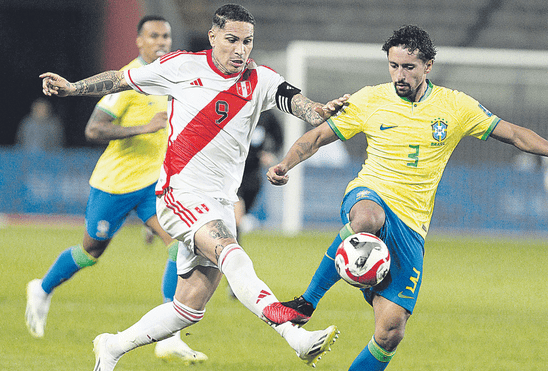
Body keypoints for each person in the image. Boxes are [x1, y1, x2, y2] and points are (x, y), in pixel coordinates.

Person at [40, 4, 350, 370]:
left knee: (187, 309)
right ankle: (295, 336)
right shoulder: (182, 66)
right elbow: (121, 79)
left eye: (247, 42)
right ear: (213, 37)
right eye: (232, 40)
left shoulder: (260, 79)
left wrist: (321, 110)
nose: (240, 50)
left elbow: (300, 105)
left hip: (219, 202)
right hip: (179, 194)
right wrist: (73, 88)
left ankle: (111, 346)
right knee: (232, 254)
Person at [264, 25, 548, 371]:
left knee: (390, 333)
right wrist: (285, 164)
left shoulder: (455, 106)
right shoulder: (369, 99)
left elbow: (516, 134)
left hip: (411, 224)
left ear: (428, 66)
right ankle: (306, 304)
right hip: (370, 193)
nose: (399, 74)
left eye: (408, 67)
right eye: (393, 65)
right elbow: (318, 136)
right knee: (367, 219)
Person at [26, 15, 208, 364]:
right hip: (115, 184)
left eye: (166, 36)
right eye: (153, 36)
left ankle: (170, 336)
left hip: (152, 187)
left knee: (181, 247)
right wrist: (144, 127)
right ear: (139, 42)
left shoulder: (171, 78)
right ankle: (42, 288)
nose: (162, 43)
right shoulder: (130, 80)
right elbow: (94, 130)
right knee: (90, 252)